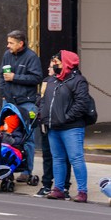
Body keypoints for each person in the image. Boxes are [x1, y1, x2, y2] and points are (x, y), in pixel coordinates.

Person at [36, 50, 91, 203]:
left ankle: (82, 191)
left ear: (66, 63)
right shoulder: (52, 80)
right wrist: (44, 116)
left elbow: (81, 104)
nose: (54, 65)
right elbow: (43, 100)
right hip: (54, 127)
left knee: (76, 158)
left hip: (71, 127)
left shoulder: (79, 81)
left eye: (57, 63)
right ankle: (58, 189)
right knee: (58, 158)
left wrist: (65, 118)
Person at [0, 30, 43, 183]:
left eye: (11, 42)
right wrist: (4, 92)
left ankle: (26, 170)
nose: (8, 45)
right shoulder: (7, 55)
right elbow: (1, 76)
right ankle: (7, 167)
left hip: (27, 102)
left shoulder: (31, 57)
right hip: (9, 102)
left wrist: (15, 77)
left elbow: (37, 77)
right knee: (6, 135)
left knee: (27, 138)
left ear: (20, 43)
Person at [35, 53, 72, 198]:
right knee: (48, 155)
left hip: (61, 124)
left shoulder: (70, 81)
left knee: (65, 157)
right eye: (50, 66)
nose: (50, 69)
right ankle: (46, 184)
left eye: (53, 66)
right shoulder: (47, 81)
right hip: (47, 123)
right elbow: (40, 98)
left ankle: (64, 186)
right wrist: (41, 110)